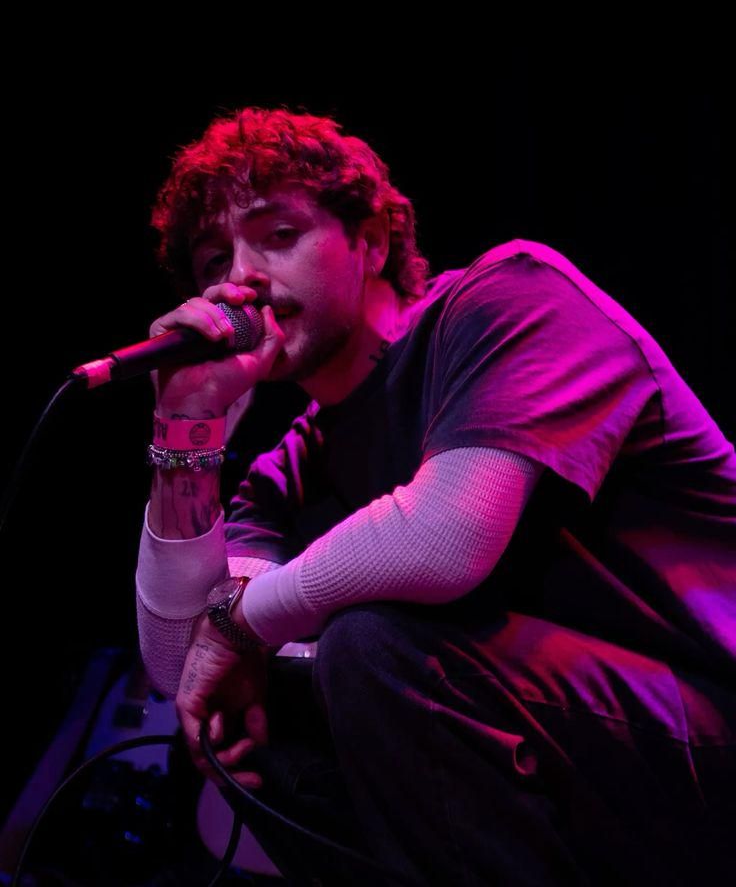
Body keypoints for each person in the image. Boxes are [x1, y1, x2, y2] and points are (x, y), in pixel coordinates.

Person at [134, 106, 736, 886]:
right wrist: (185, 426)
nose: (239, 279)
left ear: (372, 242)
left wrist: (239, 622)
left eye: (277, 235)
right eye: (215, 260)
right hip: (577, 765)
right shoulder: (291, 469)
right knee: (244, 715)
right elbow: (180, 663)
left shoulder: (512, 300)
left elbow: (448, 537)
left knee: (371, 647)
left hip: (709, 734)